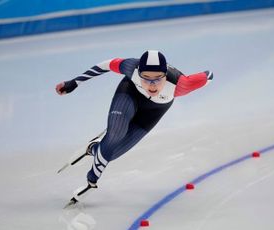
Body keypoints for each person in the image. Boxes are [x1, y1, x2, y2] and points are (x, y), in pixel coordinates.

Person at [56, 50, 213, 204]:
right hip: (129, 94)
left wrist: (206, 79)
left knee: (110, 153)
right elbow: (106, 65)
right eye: (146, 78)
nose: (152, 85)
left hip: (153, 112)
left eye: (158, 79)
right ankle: (92, 181)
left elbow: (209, 75)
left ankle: (93, 149)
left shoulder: (181, 84)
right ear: (139, 72)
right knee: (116, 134)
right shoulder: (131, 67)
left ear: (165, 75)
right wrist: (74, 82)